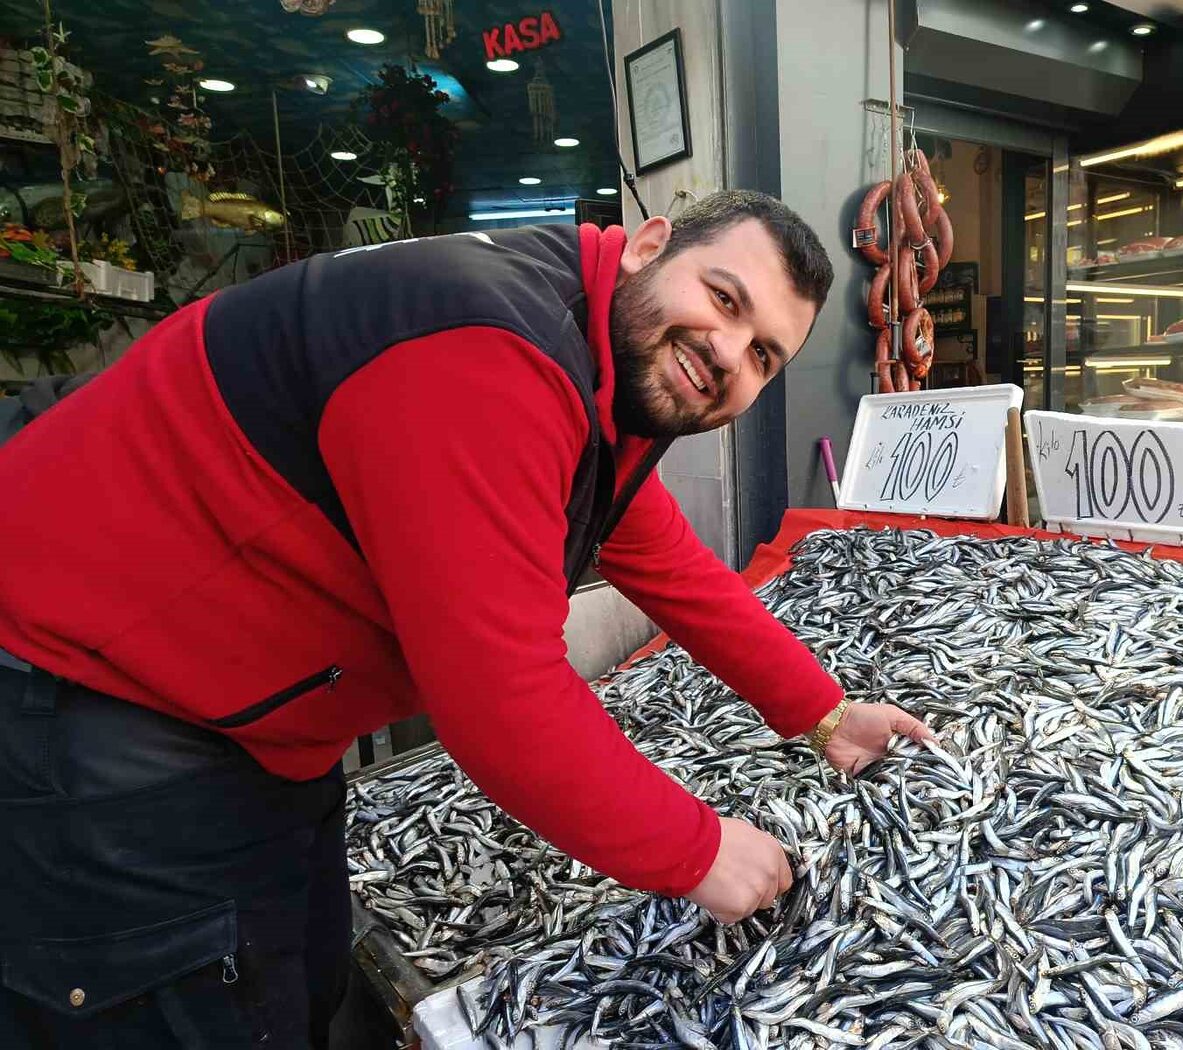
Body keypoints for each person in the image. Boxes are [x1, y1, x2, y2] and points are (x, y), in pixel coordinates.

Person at [0, 190, 930, 1048]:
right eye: (724, 299)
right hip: (94, 704)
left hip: (254, 728)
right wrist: (696, 849)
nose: (729, 352)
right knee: (201, 1012)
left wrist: (824, 713)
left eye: (763, 353)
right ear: (650, 244)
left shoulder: (599, 380)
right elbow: (501, 697)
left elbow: (676, 569)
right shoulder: (491, 349)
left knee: (301, 985)